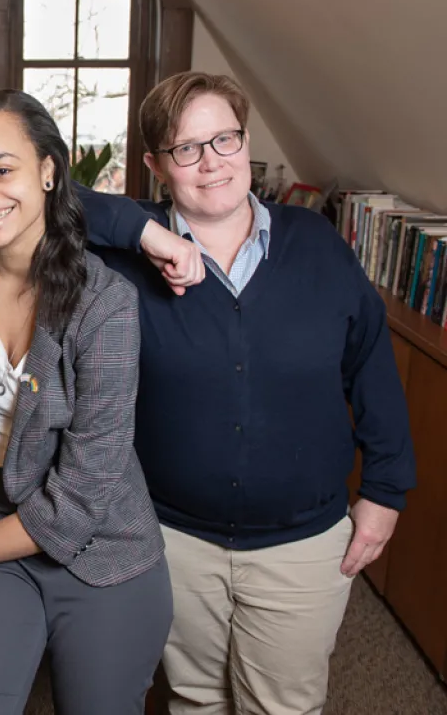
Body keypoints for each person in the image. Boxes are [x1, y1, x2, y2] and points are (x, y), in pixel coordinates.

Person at [79, 71, 416, 715]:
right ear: (155, 165)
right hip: (169, 539)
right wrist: (148, 234)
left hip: (301, 545)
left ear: (246, 140)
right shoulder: (122, 255)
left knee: (283, 707)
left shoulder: (316, 243)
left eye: (225, 140)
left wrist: (385, 491)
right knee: (194, 700)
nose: (212, 163)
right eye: (186, 149)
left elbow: (371, 365)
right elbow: (27, 194)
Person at [0, 89, 172, 714]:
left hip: (105, 541)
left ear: (48, 170)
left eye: (2, 169)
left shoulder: (106, 302)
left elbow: (76, 506)